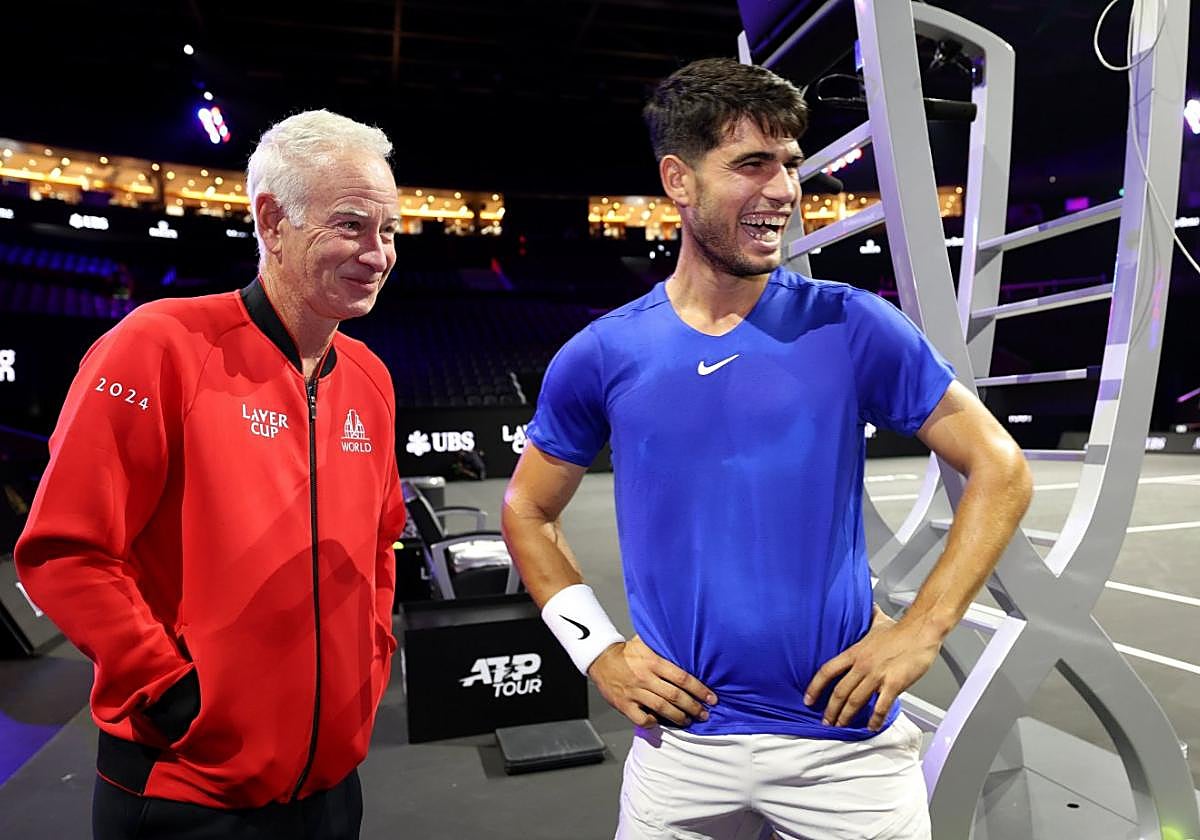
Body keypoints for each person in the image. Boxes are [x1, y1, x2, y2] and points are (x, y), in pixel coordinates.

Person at [501, 58, 1033, 840]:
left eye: (790, 165)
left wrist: (923, 628)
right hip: (680, 749)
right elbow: (526, 508)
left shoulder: (851, 324)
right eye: (752, 164)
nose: (783, 190)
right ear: (678, 181)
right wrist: (599, 653)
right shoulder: (603, 353)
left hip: (844, 748)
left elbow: (1002, 467)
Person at [15, 109, 407, 840]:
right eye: (351, 224)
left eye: (388, 231)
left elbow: (381, 545)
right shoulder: (157, 346)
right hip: (183, 791)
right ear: (271, 221)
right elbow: (65, 551)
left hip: (332, 789)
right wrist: (171, 692)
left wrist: (371, 661)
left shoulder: (373, 380)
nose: (377, 253)